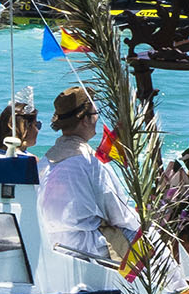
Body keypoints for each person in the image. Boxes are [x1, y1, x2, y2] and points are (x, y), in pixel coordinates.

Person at [40, 87, 140, 261]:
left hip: (52, 241)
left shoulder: (44, 162)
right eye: (95, 113)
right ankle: (169, 286)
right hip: (87, 245)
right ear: (85, 120)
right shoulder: (88, 162)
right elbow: (119, 214)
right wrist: (143, 221)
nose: (97, 118)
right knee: (147, 235)